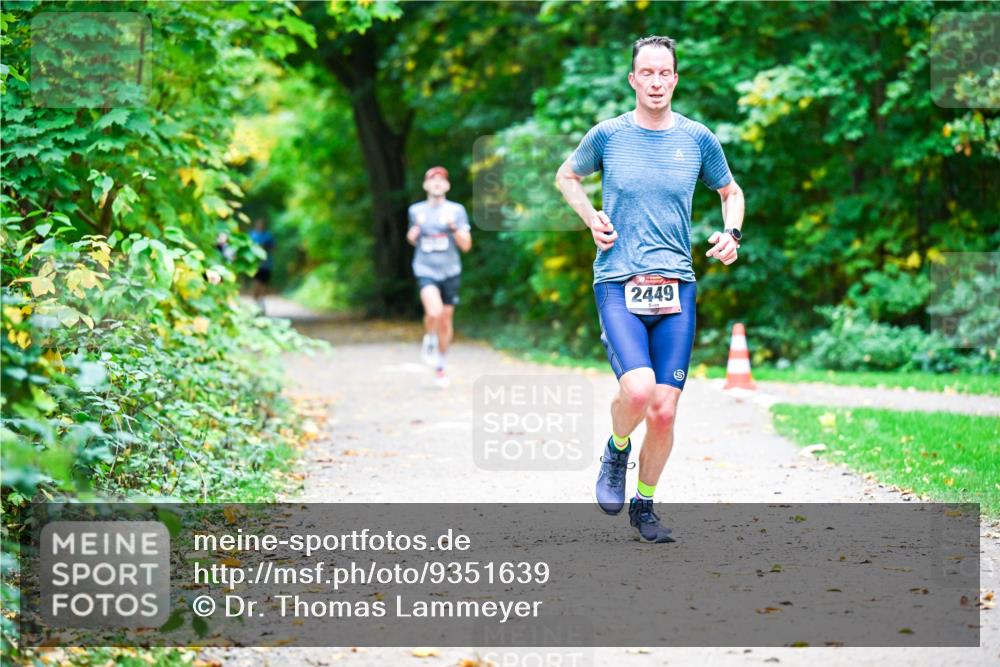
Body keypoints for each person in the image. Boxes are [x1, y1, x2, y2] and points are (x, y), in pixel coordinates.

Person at [555, 35, 745, 542]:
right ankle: (617, 449)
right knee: (638, 390)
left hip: (676, 285)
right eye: (647, 73)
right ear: (633, 79)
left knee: (663, 410)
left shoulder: (697, 138)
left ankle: (644, 505)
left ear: (675, 80)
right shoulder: (608, 135)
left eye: (665, 73)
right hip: (618, 281)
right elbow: (567, 176)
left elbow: (730, 191)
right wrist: (590, 217)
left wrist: (732, 234)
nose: (656, 82)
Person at [406, 166, 472, 387]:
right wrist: (412, 235)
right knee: (433, 312)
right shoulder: (416, 211)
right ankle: (430, 338)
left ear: (447, 186)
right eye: (432, 179)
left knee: (445, 320)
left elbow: (466, 245)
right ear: (425, 185)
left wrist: (452, 226)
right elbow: (411, 238)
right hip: (425, 269)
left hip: (450, 271)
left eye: (441, 180)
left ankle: (441, 365)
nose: (437, 183)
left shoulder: (456, 210)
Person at [249, 218, 274, 314]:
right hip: (254, 265)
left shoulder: (268, 236)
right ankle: (256, 304)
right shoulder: (252, 235)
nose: (260, 225)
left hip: (266, 264)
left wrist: (265, 247)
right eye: (259, 224)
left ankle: (261, 302)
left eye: (262, 224)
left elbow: (273, 247)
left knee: (264, 284)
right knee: (256, 284)